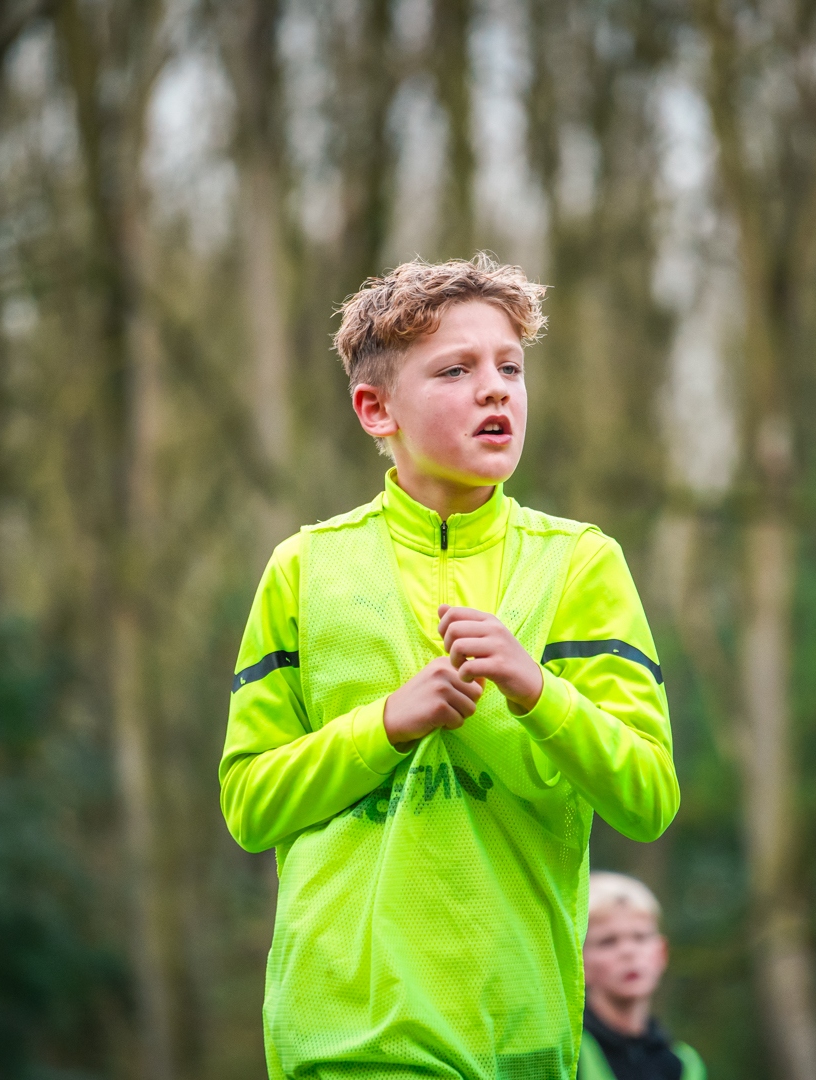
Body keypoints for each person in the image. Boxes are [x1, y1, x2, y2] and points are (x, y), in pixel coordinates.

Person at [219, 254, 680, 1080]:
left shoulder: (581, 565)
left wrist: (535, 689)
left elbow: (647, 797)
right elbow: (249, 805)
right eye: (456, 370)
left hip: (522, 1036)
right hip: (347, 1039)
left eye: (510, 368)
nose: (495, 390)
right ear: (376, 409)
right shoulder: (303, 569)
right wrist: (386, 725)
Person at [581, 872, 705, 1080]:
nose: (628, 952)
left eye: (640, 937)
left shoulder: (682, 1064)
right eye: (607, 941)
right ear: (580, 961)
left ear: (661, 953)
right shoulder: (566, 1055)